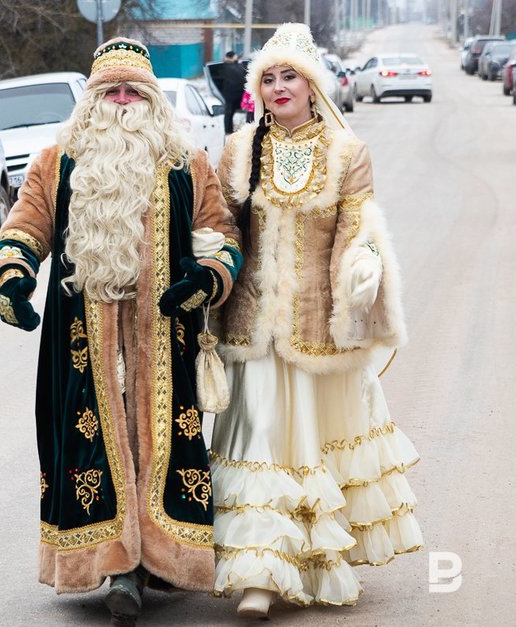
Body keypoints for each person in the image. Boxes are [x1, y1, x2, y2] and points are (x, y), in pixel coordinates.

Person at [0, 37, 242, 625]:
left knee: (162, 440)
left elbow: (220, 233)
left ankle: (159, 557)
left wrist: (208, 279)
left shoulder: (186, 161)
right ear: (92, 99)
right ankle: (117, 565)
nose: (122, 101)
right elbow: (26, 223)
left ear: (151, 100)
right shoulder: (57, 162)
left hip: (165, 333)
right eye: (111, 91)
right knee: (94, 444)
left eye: (133, 90)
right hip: (84, 341)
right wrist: (13, 275)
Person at [210, 23, 423, 619]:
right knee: (258, 440)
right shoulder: (238, 148)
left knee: (310, 445)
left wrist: (363, 266)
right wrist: (208, 259)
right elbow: (223, 226)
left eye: (290, 76)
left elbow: (358, 227)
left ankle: (311, 559)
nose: (279, 87)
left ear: (312, 85)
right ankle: (258, 574)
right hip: (251, 329)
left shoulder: (347, 152)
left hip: (317, 329)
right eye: (268, 78)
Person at [220, 50, 247, 135]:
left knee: (229, 113)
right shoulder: (237, 66)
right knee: (231, 113)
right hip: (237, 94)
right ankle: (229, 130)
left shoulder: (223, 66)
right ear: (232, 57)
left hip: (229, 94)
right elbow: (242, 74)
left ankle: (228, 130)